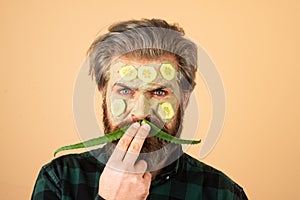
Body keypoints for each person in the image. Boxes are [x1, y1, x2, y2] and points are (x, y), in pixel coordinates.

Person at [32, 18, 248, 200]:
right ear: (103, 92)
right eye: (125, 91)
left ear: (185, 97)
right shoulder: (60, 181)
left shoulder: (223, 194)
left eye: (159, 92)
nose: (141, 113)